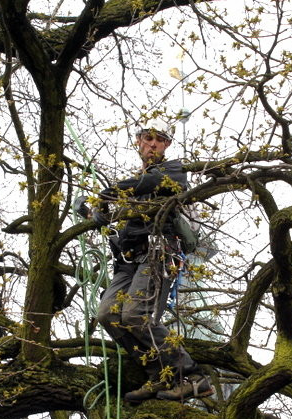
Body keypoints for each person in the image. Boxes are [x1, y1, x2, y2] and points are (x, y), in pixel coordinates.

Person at [75, 119, 214, 403]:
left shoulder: (172, 171)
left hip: (158, 251)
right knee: (108, 315)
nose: (153, 144)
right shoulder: (130, 192)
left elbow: (146, 182)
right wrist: (98, 215)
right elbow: (124, 223)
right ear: (138, 141)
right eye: (148, 138)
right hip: (129, 260)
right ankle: (158, 374)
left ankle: (195, 375)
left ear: (167, 145)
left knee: (135, 314)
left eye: (159, 140)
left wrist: (107, 194)